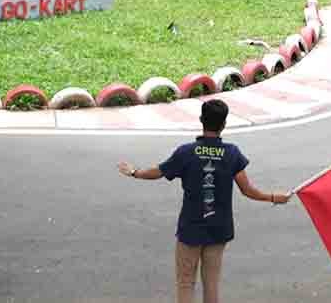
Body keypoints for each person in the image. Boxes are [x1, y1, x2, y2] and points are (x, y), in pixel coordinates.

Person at [117, 99, 290, 303]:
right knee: (212, 284)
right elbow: (247, 190)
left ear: (201, 120)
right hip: (219, 229)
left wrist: (135, 172)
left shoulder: (186, 152)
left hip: (190, 229)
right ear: (224, 124)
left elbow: (159, 171)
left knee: (185, 283)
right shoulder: (232, 153)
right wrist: (273, 197)